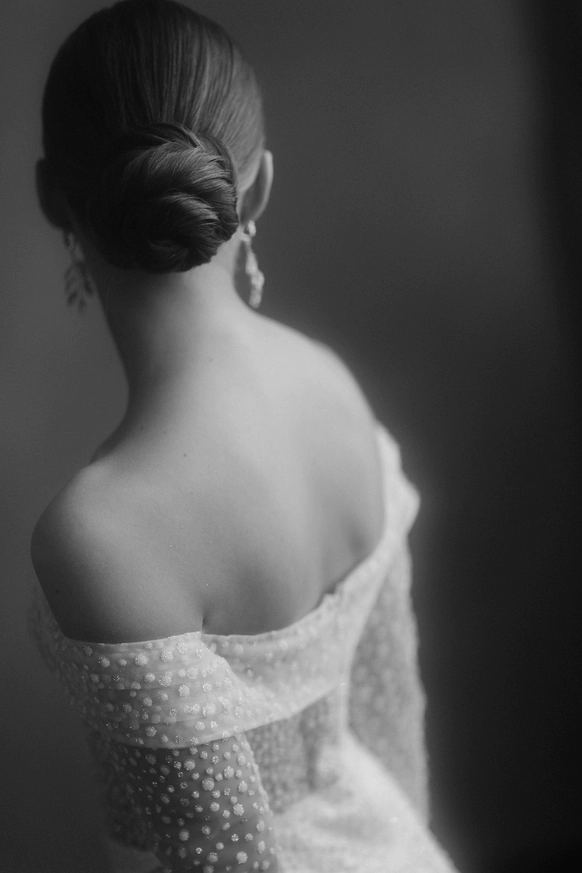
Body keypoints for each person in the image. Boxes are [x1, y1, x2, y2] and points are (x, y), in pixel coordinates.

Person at [29, 2, 459, 871]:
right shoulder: (334, 386)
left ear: (52, 199)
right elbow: (392, 723)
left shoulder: (101, 534)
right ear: (255, 188)